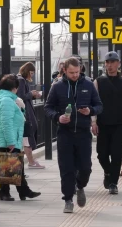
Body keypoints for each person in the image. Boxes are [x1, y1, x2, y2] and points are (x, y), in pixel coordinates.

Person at [44, 57, 103, 213]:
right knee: (66, 168)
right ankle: (68, 199)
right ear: (65, 70)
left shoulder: (89, 85)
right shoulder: (57, 87)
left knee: (86, 167)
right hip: (65, 133)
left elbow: (99, 105)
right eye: (71, 73)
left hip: (83, 132)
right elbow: (48, 107)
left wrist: (91, 111)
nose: (75, 75)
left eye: (77, 72)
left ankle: (80, 185)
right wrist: (58, 117)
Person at [0, 74, 40, 202]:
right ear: (14, 88)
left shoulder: (6, 99)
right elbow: (6, 122)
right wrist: (11, 141)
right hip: (8, 138)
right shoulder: (7, 100)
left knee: (11, 165)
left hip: (8, 137)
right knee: (8, 165)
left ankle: (18, 191)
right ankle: (11, 192)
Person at [91, 52, 122, 195]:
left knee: (116, 154)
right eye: (107, 62)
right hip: (103, 122)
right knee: (101, 153)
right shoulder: (98, 81)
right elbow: (94, 102)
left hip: (120, 123)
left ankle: (113, 183)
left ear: (118, 64)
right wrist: (94, 121)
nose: (109, 65)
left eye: (112, 62)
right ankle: (108, 172)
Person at [17, 62, 44, 169]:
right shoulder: (21, 80)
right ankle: (30, 162)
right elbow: (21, 96)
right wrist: (31, 94)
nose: (31, 75)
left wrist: (32, 95)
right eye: (31, 73)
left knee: (25, 138)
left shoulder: (20, 80)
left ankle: (28, 163)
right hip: (25, 112)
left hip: (24, 111)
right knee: (27, 137)